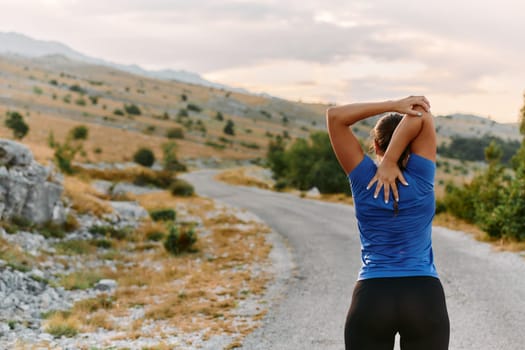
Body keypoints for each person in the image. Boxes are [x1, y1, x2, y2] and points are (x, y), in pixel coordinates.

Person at [326, 96, 449, 350]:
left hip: (372, 296)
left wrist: (393, 105)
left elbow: (335, 117)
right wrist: (393, 159)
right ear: (413, 144)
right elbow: (422, 115)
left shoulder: (363, 179)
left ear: (375, 145)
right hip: (424, 296)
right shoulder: (422, 175)